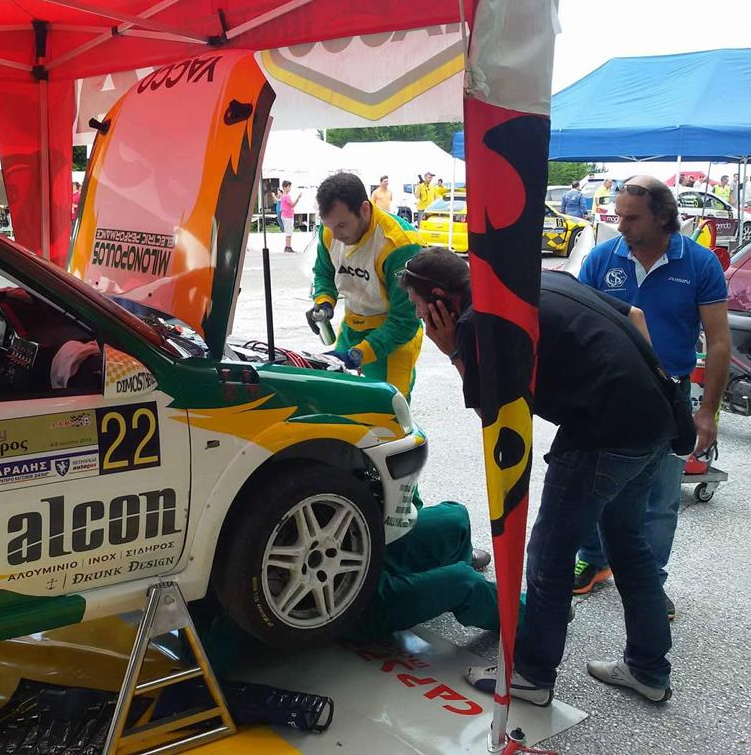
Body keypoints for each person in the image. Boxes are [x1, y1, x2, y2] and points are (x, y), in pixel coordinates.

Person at [400, 246, 679, 705]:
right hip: (655, 416)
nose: (418, 318)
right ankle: (649, 669)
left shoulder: (477, 322)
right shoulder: (532, 277)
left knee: (549, 555)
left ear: (439, 300)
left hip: (601, 434)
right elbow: (635, 315)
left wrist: (452, 349)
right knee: (627, 543)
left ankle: (530, 675)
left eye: (418, 307)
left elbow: (497, 416)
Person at [572, 177, 730, 618]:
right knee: (596, 486)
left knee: (660, 499)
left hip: (669, 396)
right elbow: (578, 325)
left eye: (632, 218)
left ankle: (650, 583)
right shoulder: (603, 258)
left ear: (663, 217)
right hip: (608, 394)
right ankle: (593, 560)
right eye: (618, 216)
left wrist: (708, 413)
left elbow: (719, 342)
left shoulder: (699, 263)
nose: (620, 226)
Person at [194, 501, 500, 675]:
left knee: (456, 518)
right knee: (464, 583)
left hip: (357, 546)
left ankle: (438, 575)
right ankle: (525, 625)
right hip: (348, 605)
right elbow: (211, 659)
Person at [308, 172, 424, 398]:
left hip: (392, 338)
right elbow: (324, 273)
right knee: (339, 399)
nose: (336, 235)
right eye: (329, 226)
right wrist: (323, 303)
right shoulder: (330, 230)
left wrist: (356, 356)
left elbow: (404, 321)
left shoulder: (400, 245)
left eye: (342, 225)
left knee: (386, 410)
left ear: (364, 209)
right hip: (352, 327)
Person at [279, 180, 302, 253]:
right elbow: (292, 205)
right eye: (288, 187)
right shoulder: (287, 196)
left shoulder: (283, 196)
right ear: (284, 188)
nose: (289, 188)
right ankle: (288, 247)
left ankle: (287, 246)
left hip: (285, 215)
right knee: (289, 232)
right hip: (287, 216)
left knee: (288, 231)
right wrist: (298, 198)